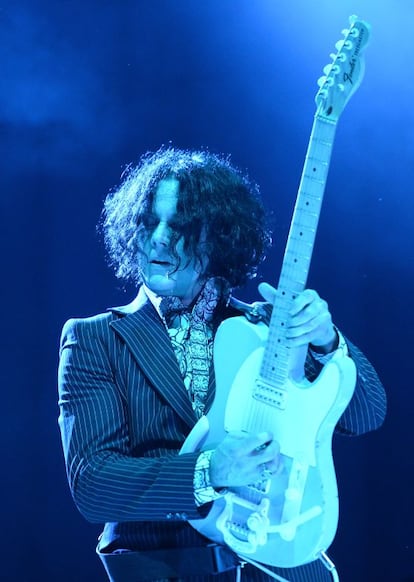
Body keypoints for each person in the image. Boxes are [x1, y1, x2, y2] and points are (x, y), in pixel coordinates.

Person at [58, 147, 386, 582]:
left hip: (286, 566)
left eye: (178, 227)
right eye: (148, 222)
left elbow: (365, 414)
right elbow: (94, 486)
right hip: (170, 569)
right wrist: (210, 470)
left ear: (219, 239)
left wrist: (327, 339)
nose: (157, 238)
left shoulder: (264, 330)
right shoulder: (96, 338)